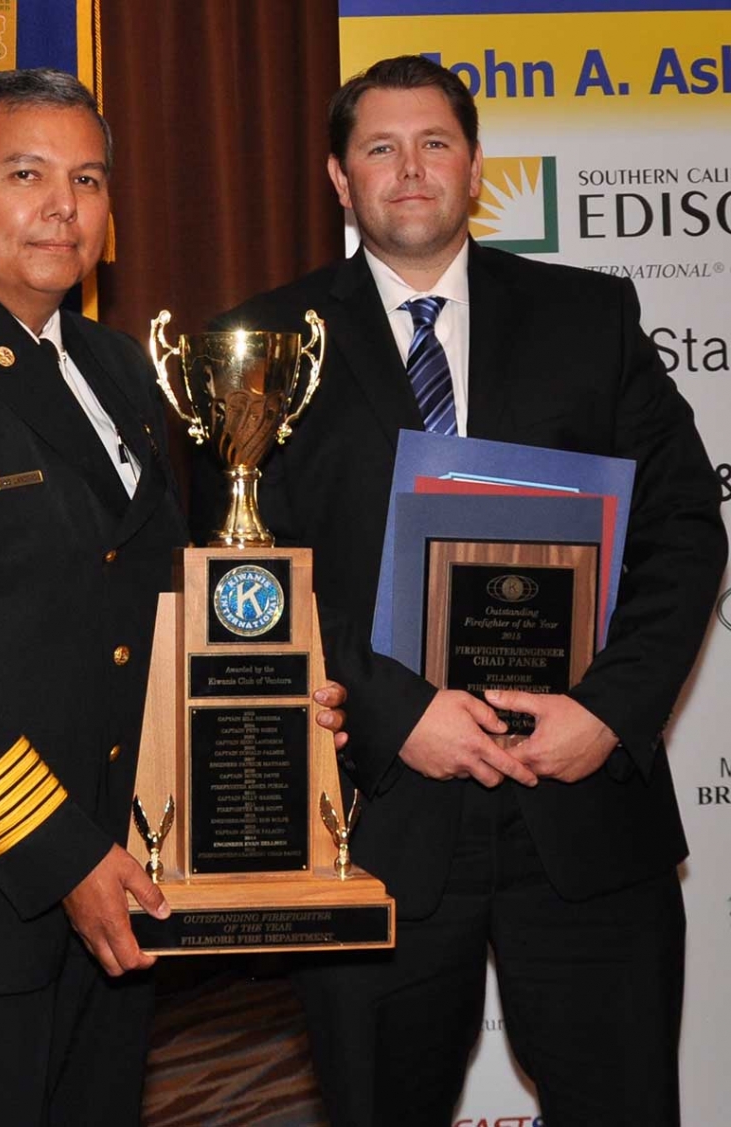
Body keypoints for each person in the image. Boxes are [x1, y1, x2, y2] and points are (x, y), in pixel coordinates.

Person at [0, 69, 346, 1126]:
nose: (62, 205)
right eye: (26, 172)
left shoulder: (121, 372)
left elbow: (153, 606)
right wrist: (63, 851)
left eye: (87, 179)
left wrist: (259, 706)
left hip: (114, 901)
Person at [192, 55, 727, 1127]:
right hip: (376, 822)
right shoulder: (265, 346)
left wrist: (607, 711)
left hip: (581, 808)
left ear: (473, 165)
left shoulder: (592, 316)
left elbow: (682, 531)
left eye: (433, 143)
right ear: (339, 180)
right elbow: (247, 576)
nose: (409, 169)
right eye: (379, 148)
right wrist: (400, 713)